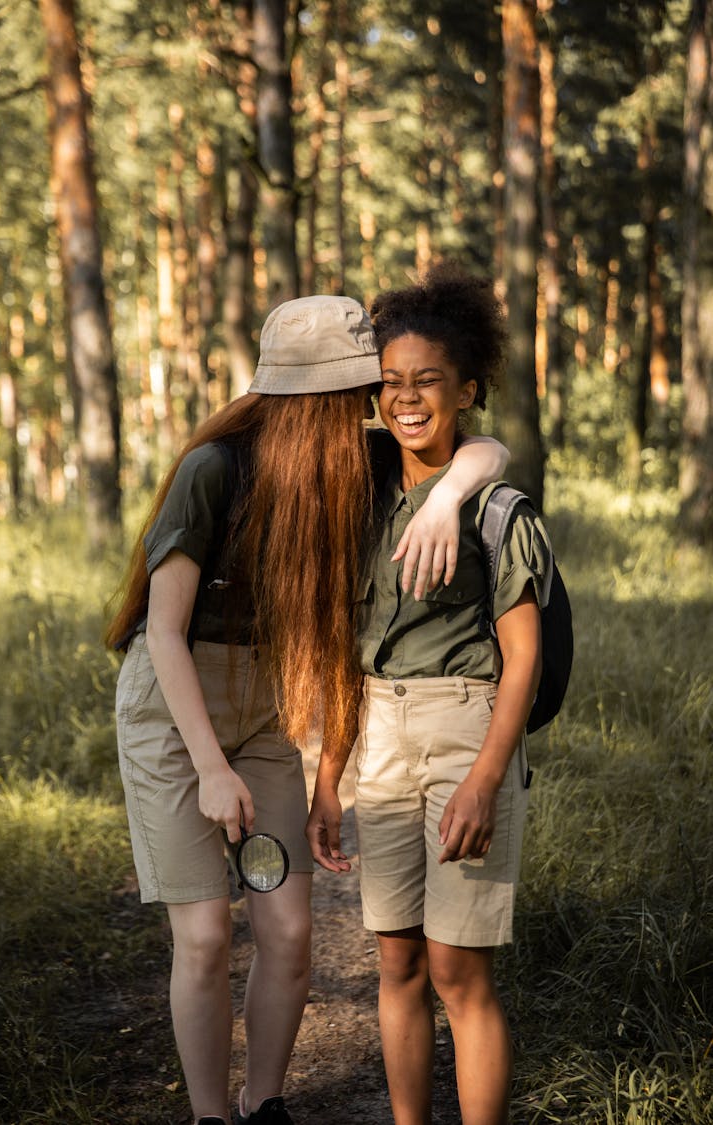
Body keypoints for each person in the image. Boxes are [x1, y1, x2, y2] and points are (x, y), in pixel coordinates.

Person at [106, 293, 509, 1125]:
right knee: (208, 936)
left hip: (259, 712)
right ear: (301, 399)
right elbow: (166, 634)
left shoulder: (347, 460)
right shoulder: (211, 469)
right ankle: (211, 1113)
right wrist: (211, 771)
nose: (366, 413)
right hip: (173, 710)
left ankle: (266, 1103)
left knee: (289, 933)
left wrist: (443, 499)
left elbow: (487, 450)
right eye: (351, 397)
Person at [307, 265, 551, 1125]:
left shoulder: (497, 505)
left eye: (429, 382)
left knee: (459, 971)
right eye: (392, 383)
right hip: (376, 732)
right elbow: (347, 644)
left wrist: (487, 776)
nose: (407, 398)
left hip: (465, 729)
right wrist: (329, 772)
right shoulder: (362, 488)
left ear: (468, 388)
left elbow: (522, 656)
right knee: (398, 964)